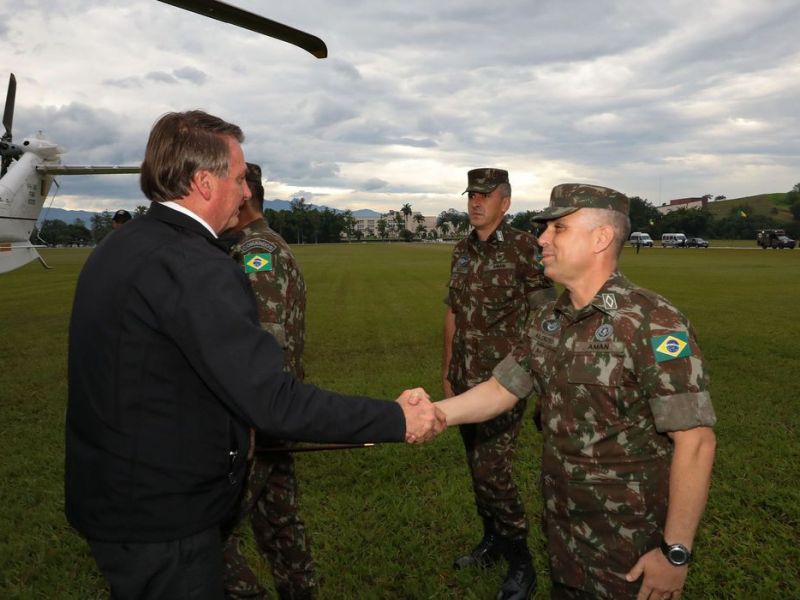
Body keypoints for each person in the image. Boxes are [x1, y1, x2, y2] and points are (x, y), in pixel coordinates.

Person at [65, 110, 444, 600]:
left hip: (111, 499)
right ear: (204, 182)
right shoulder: (198, 267)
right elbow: (273, 401)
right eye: (240, 178)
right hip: (163, 521)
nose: (247, 192)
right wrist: (395, 418)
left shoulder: (120, 247)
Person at [434, 183, 717, 599]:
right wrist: (435, 413)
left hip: (629, 548)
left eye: (558, 229)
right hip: (565, 532)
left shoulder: (651, 321)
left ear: (601, 238)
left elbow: (695, 441)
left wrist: (675, 552)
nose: (542, 239)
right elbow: (500, 389)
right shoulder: (550, 319)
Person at [442, 168, 555, 600]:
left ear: (504, 203)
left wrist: (541, 380)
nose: (475, 202)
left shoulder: (526, 249)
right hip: (465, 378)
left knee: (493, 471)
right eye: (472, 194)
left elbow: (545, 316)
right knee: (476, 467)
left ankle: (521, 561)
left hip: (505, 381)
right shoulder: (461, 250)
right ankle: (492, 539)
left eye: (485, 195)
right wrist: (447, 368)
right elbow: (453, 311)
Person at [220, 163, 316, 600]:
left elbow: (266, 342)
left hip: (258, 416)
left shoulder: (258, 251)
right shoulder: (254, 245)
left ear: (243, 195)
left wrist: (253, 417)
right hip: (275, 412)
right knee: (279, 521)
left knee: (206, 535)